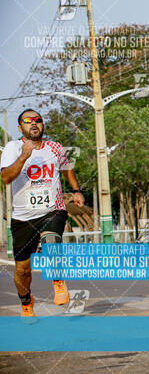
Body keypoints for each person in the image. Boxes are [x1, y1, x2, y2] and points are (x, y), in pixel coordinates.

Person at [1, 109, 85, 320]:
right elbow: (6, 178)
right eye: (28, 121)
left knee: (51, 241)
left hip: (52, 210)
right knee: (23, 270)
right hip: (23, 217)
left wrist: (76, 191)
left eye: (38, 120)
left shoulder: (55, 147)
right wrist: (24, 156)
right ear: (20, 127)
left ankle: (58, 283)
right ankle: (27, 303)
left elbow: (67, 168)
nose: (34, 123)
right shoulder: (13, 147)